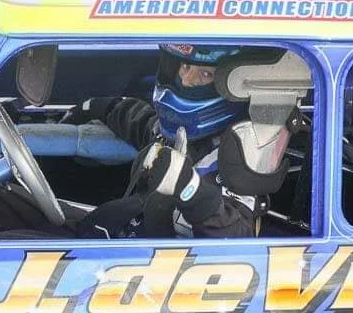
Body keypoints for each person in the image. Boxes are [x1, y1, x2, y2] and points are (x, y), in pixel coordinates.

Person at [60, 44, 290, 239]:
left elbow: (236, 236)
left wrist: (189, 188)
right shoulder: (174, 134)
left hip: (161, 267)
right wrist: (96, 107)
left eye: (205, 74)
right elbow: (140, 120)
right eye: (185, 67)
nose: (186, 80)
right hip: (122, 237)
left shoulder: (240, 158)